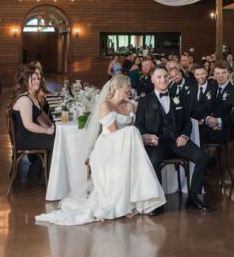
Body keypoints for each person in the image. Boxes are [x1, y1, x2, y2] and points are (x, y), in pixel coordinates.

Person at [36, 75, 166, 225]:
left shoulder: (130, 106)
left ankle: (139, 199)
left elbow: (130, 133)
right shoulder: (106, 105)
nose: (130, 90)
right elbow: (115, 132)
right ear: (117, 88)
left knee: (134, 135)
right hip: (108, 147)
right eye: (127, 87)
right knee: (132, 133)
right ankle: (132, 200)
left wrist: (144, 137)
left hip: (126, 146)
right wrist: (139, 137)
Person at [136, 66, 211, 214]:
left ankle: (193, 196)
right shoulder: (145, 101)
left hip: (177, 141)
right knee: (153, 162)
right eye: (159, 77)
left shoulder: (179, 96)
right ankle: (157, 201)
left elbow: (187, 121)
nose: (163, 79)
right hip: (157, 142)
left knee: (202, 157)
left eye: (165, 76)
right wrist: (146, 137)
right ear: (152, 80)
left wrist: (184, 135)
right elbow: (139, 124)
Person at [11, 66, 55, 177]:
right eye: (33, 79)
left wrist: (52, 127)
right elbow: (29, 125)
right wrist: (47, 131)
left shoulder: (32, 96)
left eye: (38, 79)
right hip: (25, 138)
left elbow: (39, 119)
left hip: (30, 135)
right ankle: (48, 178)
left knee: (56, 137)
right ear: (26, 81)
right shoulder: (24, 99)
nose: (37, 81)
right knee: (54, 142)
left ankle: (37, 171)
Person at [199, 61, 234, 145]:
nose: (221, 76)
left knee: (195, 138)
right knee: (190, 133)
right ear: (214, 75)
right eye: (218, 73)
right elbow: (203, 108)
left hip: (223, 128)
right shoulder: (211, 88)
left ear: (228, 74)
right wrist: (208, 118)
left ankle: (207, 157)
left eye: (223, 72)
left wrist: (218, 121)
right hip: (207, 125)